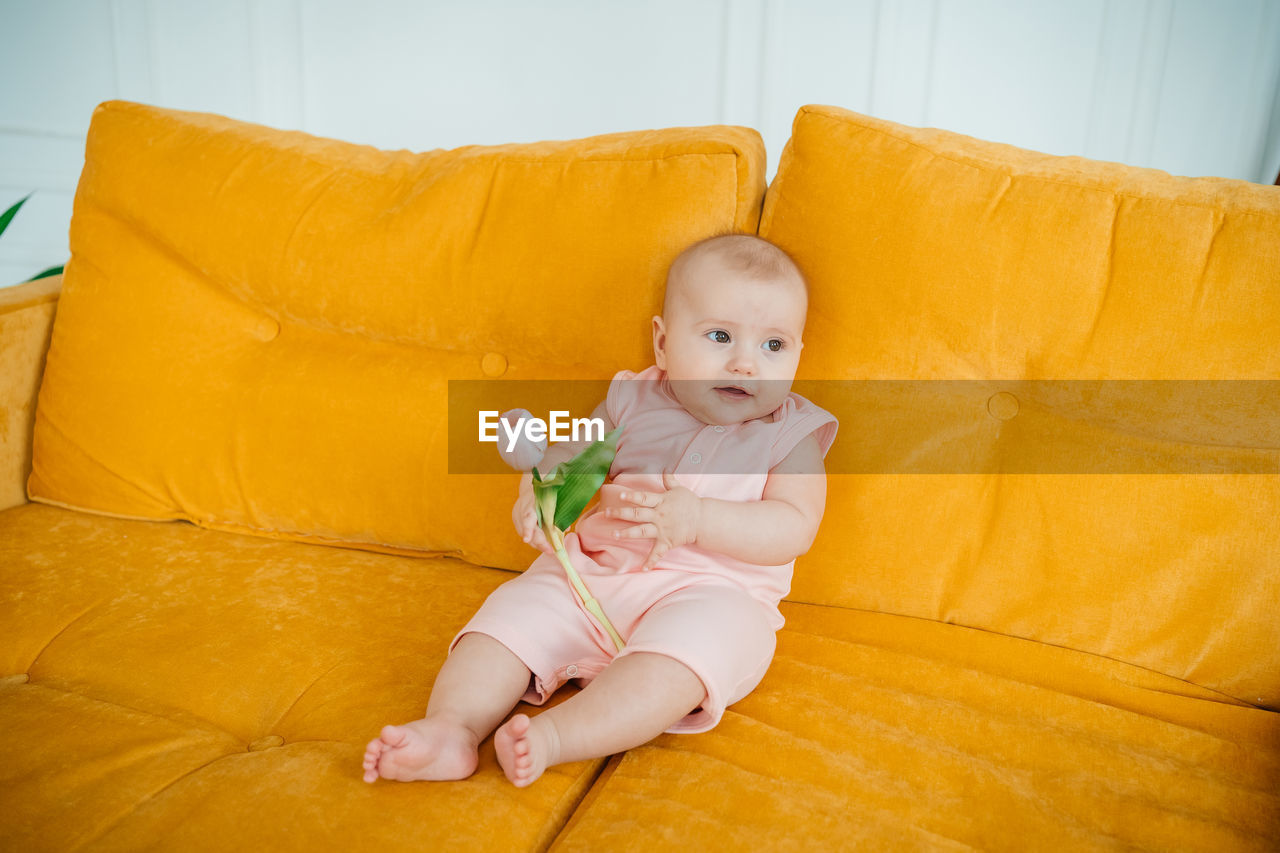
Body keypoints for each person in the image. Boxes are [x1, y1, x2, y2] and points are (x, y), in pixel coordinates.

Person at [363, 234, 837, 787]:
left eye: (774, 347)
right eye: (719, 336)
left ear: (799, 354)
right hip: (591, 572)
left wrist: (701, 519)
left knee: (696, 652)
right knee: (507, 619)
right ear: (662, 344)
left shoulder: (793, 434)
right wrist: (545, 500)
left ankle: (556, 737)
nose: (745, 363)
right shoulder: (631, 399)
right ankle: (450, 730)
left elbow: (794, 526)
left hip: (711, 594)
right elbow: (573, 457)